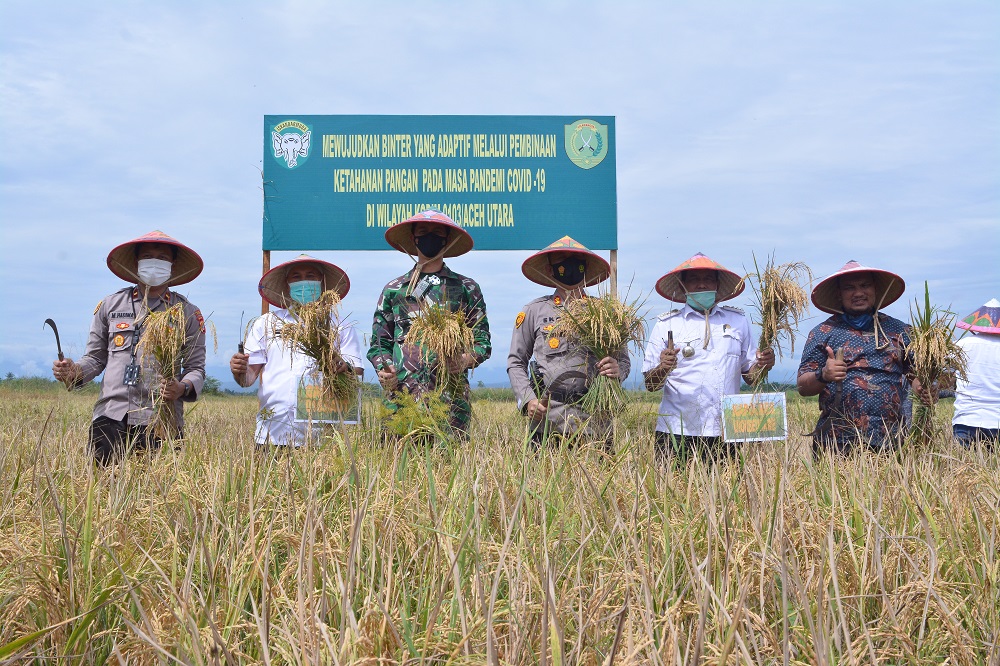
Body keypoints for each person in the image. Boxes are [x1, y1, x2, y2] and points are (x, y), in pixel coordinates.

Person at [51, 230, 206, 464]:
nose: (155, 262)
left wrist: (181, 388)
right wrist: (74, 372)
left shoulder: (186, 312)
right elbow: (94, 358)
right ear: (136, 263)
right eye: (148, 256)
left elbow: (196, 368)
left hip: (160, 420)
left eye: (162, 258)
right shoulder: (110, 305)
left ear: (173, 265)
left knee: (158, 495)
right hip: (111, 415)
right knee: (104, 490)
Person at [368, 210, 491, 437]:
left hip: (450, 403)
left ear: (446, 240)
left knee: (449, 466)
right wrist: (384, 369)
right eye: (423, 232)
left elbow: (482, 341)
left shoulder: (466, 288)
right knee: (398, 468)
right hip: (401, 400)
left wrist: (465, 359)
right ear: (414, 239)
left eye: (437, 233)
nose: (429, 237)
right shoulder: (395, 290)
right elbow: (379, 343)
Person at [642, 253, 775, 461]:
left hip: (726, 429)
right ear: (683, 285)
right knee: (674, 490)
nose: (702, 284)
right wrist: (664, 367)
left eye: (708, 279)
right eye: (694, 279)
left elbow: (751, 377)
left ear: (718, 285)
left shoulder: (738, 321)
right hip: (677, 429)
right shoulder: (666, 324)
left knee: (727, 491)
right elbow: (650, 384)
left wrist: (764, 365)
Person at [229, 255, 365, 447]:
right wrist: (239, 369)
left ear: (322, 283)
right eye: (296, 277)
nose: (304, 282)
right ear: (286, 285)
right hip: (273, 432)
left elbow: (357, 370)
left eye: (310, 275)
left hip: (323, 435)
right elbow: (247, 380)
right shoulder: (267, 323)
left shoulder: (340, 325)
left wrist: (343, 366)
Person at [507, 236, 629, 446]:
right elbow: (516, 361)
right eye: (562, 259)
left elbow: (624, 361)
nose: (570, 264)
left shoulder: (606, 314)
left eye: (576, 259)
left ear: (586, 267)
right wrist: (528, 400)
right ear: (549, 269)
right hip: (549, 419)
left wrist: (618, 370)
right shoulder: (534, 311)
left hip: (595, 420)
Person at [797, 260, 927, 454]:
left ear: (876, 290)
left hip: (890, 442)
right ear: (839, 295)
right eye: (849, 288)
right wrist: (823, 375)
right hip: (836, 443)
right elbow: (802, 386)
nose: (858, 293)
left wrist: (923, 389)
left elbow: (913, 374)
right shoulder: (823, 332)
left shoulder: (900, 331)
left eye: (865, 285)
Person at [951, 298, 1000, 449]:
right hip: (997, 421)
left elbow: (944, 370)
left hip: (967, 420)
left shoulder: (962, 345)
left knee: (962, 470)